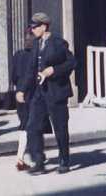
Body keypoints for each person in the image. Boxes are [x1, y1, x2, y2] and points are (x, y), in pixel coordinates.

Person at [16, 12, 76, 175]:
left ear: (44, 26)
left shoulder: (58, 43)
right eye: (32, 27)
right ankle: (39, 161)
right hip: (39, 92)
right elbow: (30, 69)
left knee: (60, 128)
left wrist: (53, 70)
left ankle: (64, 160)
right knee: (32, 126)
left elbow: (71, 62)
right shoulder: (36, 44)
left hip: (56, 92)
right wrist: (22, 89)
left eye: (35, 27)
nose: (33, 30)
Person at [11, 28, 52, 171]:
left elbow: (14, 77)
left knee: (25, 124)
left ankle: (34, 155)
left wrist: (19, 89)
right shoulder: (37, 57)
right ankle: (23, 157)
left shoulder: (17, 55)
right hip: (33, 94)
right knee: (32, 126)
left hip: (20, 94)